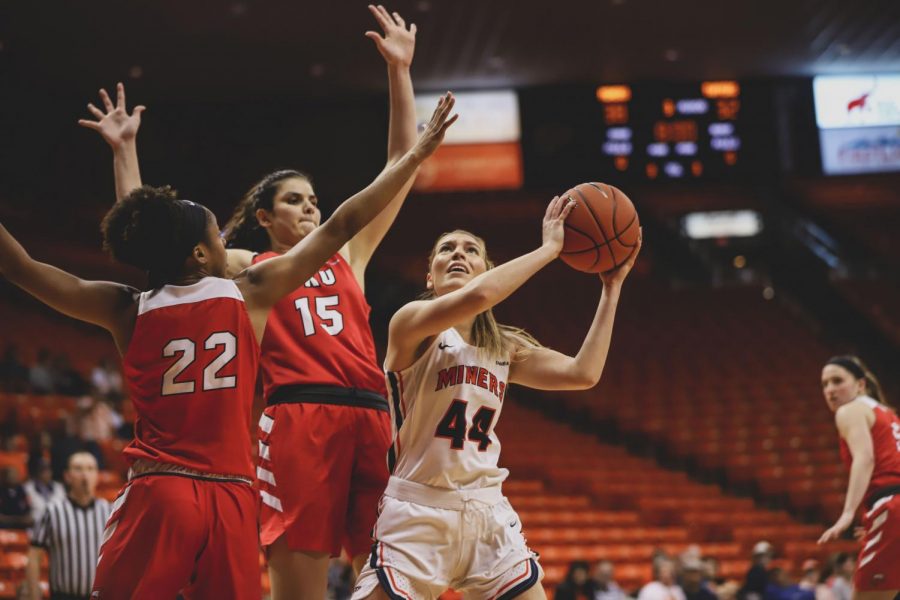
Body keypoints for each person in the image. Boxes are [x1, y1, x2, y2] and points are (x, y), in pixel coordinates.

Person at [1, 94, 454, 599]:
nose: (225, 238)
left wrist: (124, 153)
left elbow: (22, 266)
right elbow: (344, 223)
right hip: (232, 495)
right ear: (199, 252)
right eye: (217, 233)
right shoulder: (248, 294)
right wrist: (415, 156)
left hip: (160, 487)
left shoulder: (127, 307)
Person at [80, 7, 420, 598]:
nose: (311, 207)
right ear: (264, 217)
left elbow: (399, 167)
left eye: (315, 199)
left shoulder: (352, 255)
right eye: (295, 200)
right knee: (301, 581)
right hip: (297, 418)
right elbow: (158, 244)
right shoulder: (247, 271)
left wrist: (400, 72)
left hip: (370, 412)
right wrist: (124, 155)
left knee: (398, 573)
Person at [352, 199, 641, 599]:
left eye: (471, 250)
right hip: (417, 511)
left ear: (486, 269)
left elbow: (583, 373)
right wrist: (548, 250)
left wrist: (611, 288)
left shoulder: (503, 346)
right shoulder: (411, 323)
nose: (458, 254)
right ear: (430, 278)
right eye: (446, 250)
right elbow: (479, 298)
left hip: (487, 512)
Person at [817, 355, 900, 599]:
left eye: (837, 381)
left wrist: (847, 514)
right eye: (825, 384)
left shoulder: (850, 410)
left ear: (860, 384)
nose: (830, 390)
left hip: (891, 505)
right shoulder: (889, 414)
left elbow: (865, 458)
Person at [26, 452, 111, 600]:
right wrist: (33, 594)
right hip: (63, 596)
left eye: (90, 469)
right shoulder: (52, 511)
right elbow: (34, 557)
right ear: (67, 476)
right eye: (78, 469)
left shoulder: (109, 511)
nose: (85, 475)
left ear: (97, 475)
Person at [22, 457, 66, 526]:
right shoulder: (27, 487)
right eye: (43, 470)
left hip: (57, 524)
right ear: (37, 472)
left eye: (48, 470)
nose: (46, 473)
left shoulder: (59, 487)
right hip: (34, 525)